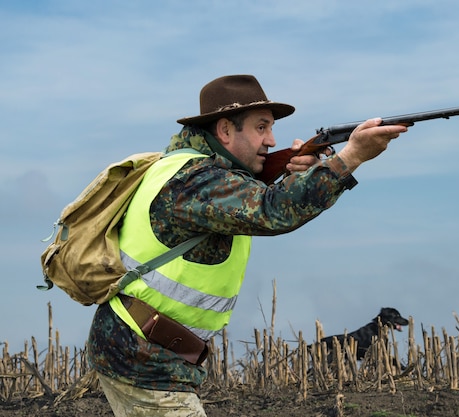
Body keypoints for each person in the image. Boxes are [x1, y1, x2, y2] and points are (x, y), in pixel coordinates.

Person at [87, 74, 408, 416]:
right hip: (142, 357)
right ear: (225, 130)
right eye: (261, 127)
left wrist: (297, 170)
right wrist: (350, 158)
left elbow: (253, 197)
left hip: (148, 351)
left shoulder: (189, 169)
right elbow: (272, 210)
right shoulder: (197, 181)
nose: (271, 139)